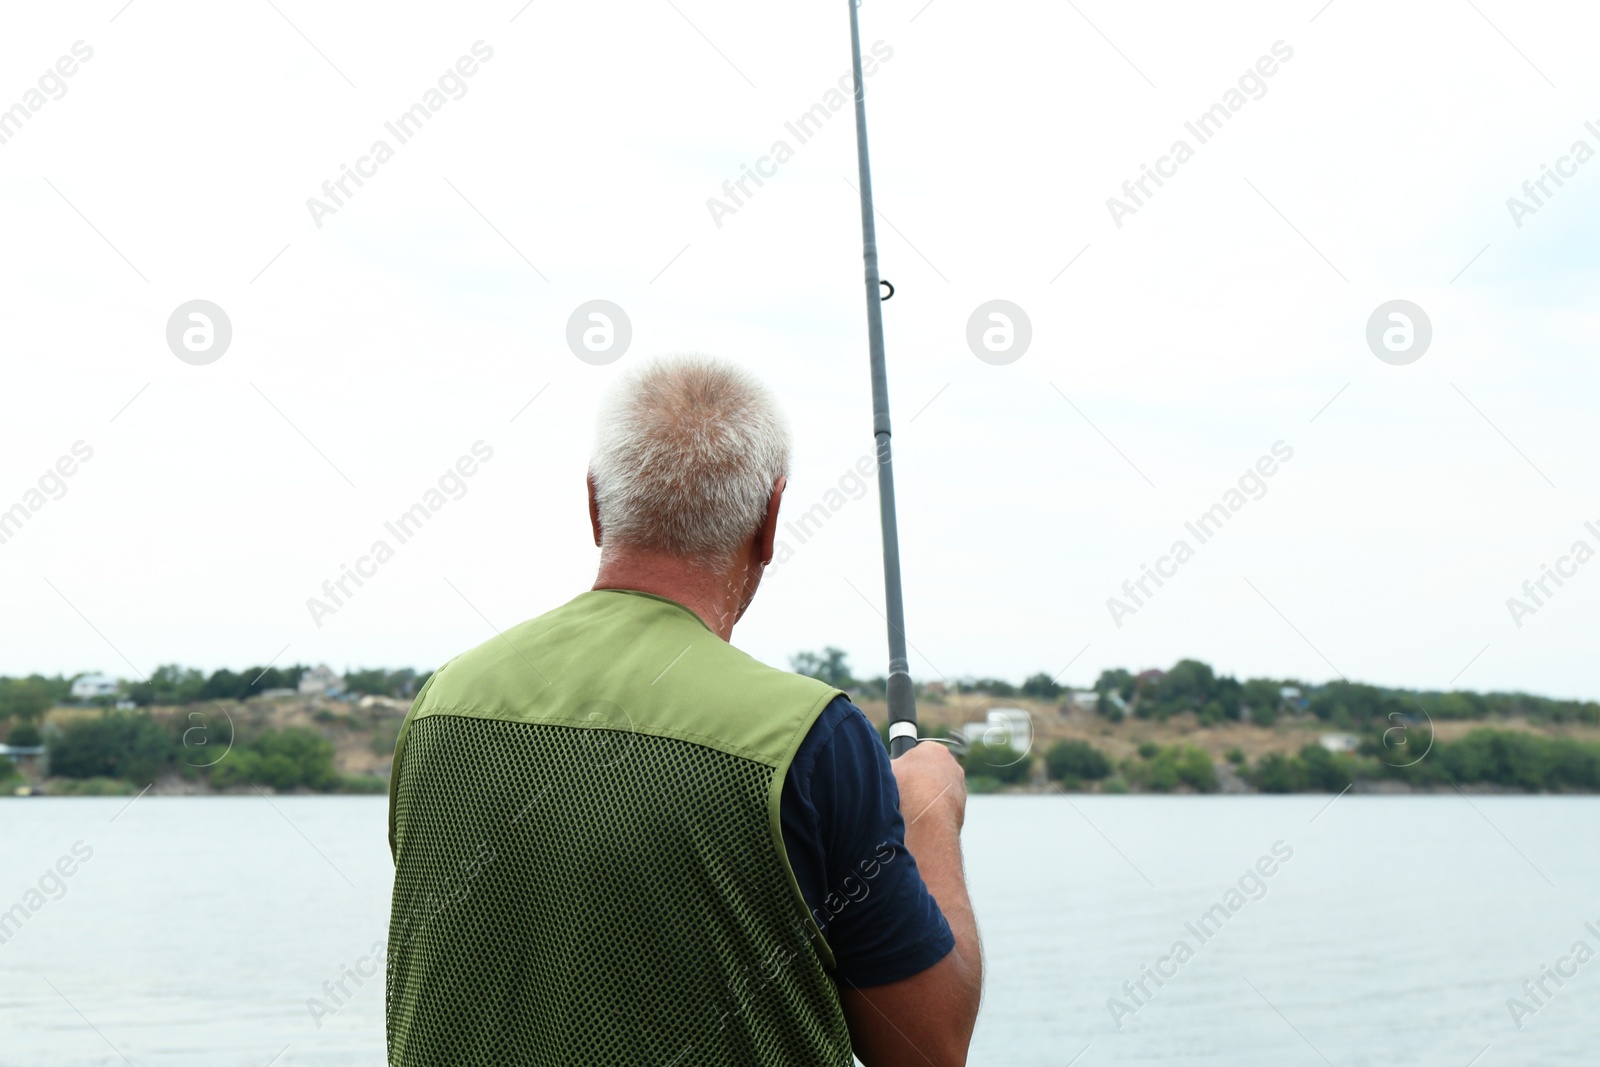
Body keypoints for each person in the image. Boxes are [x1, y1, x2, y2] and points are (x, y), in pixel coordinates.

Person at [386, 355, 982, 1065]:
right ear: (771, 517)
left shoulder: (441, 704)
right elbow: (929, 1049)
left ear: (595, 505)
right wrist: (927, 812)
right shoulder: (815, 739)